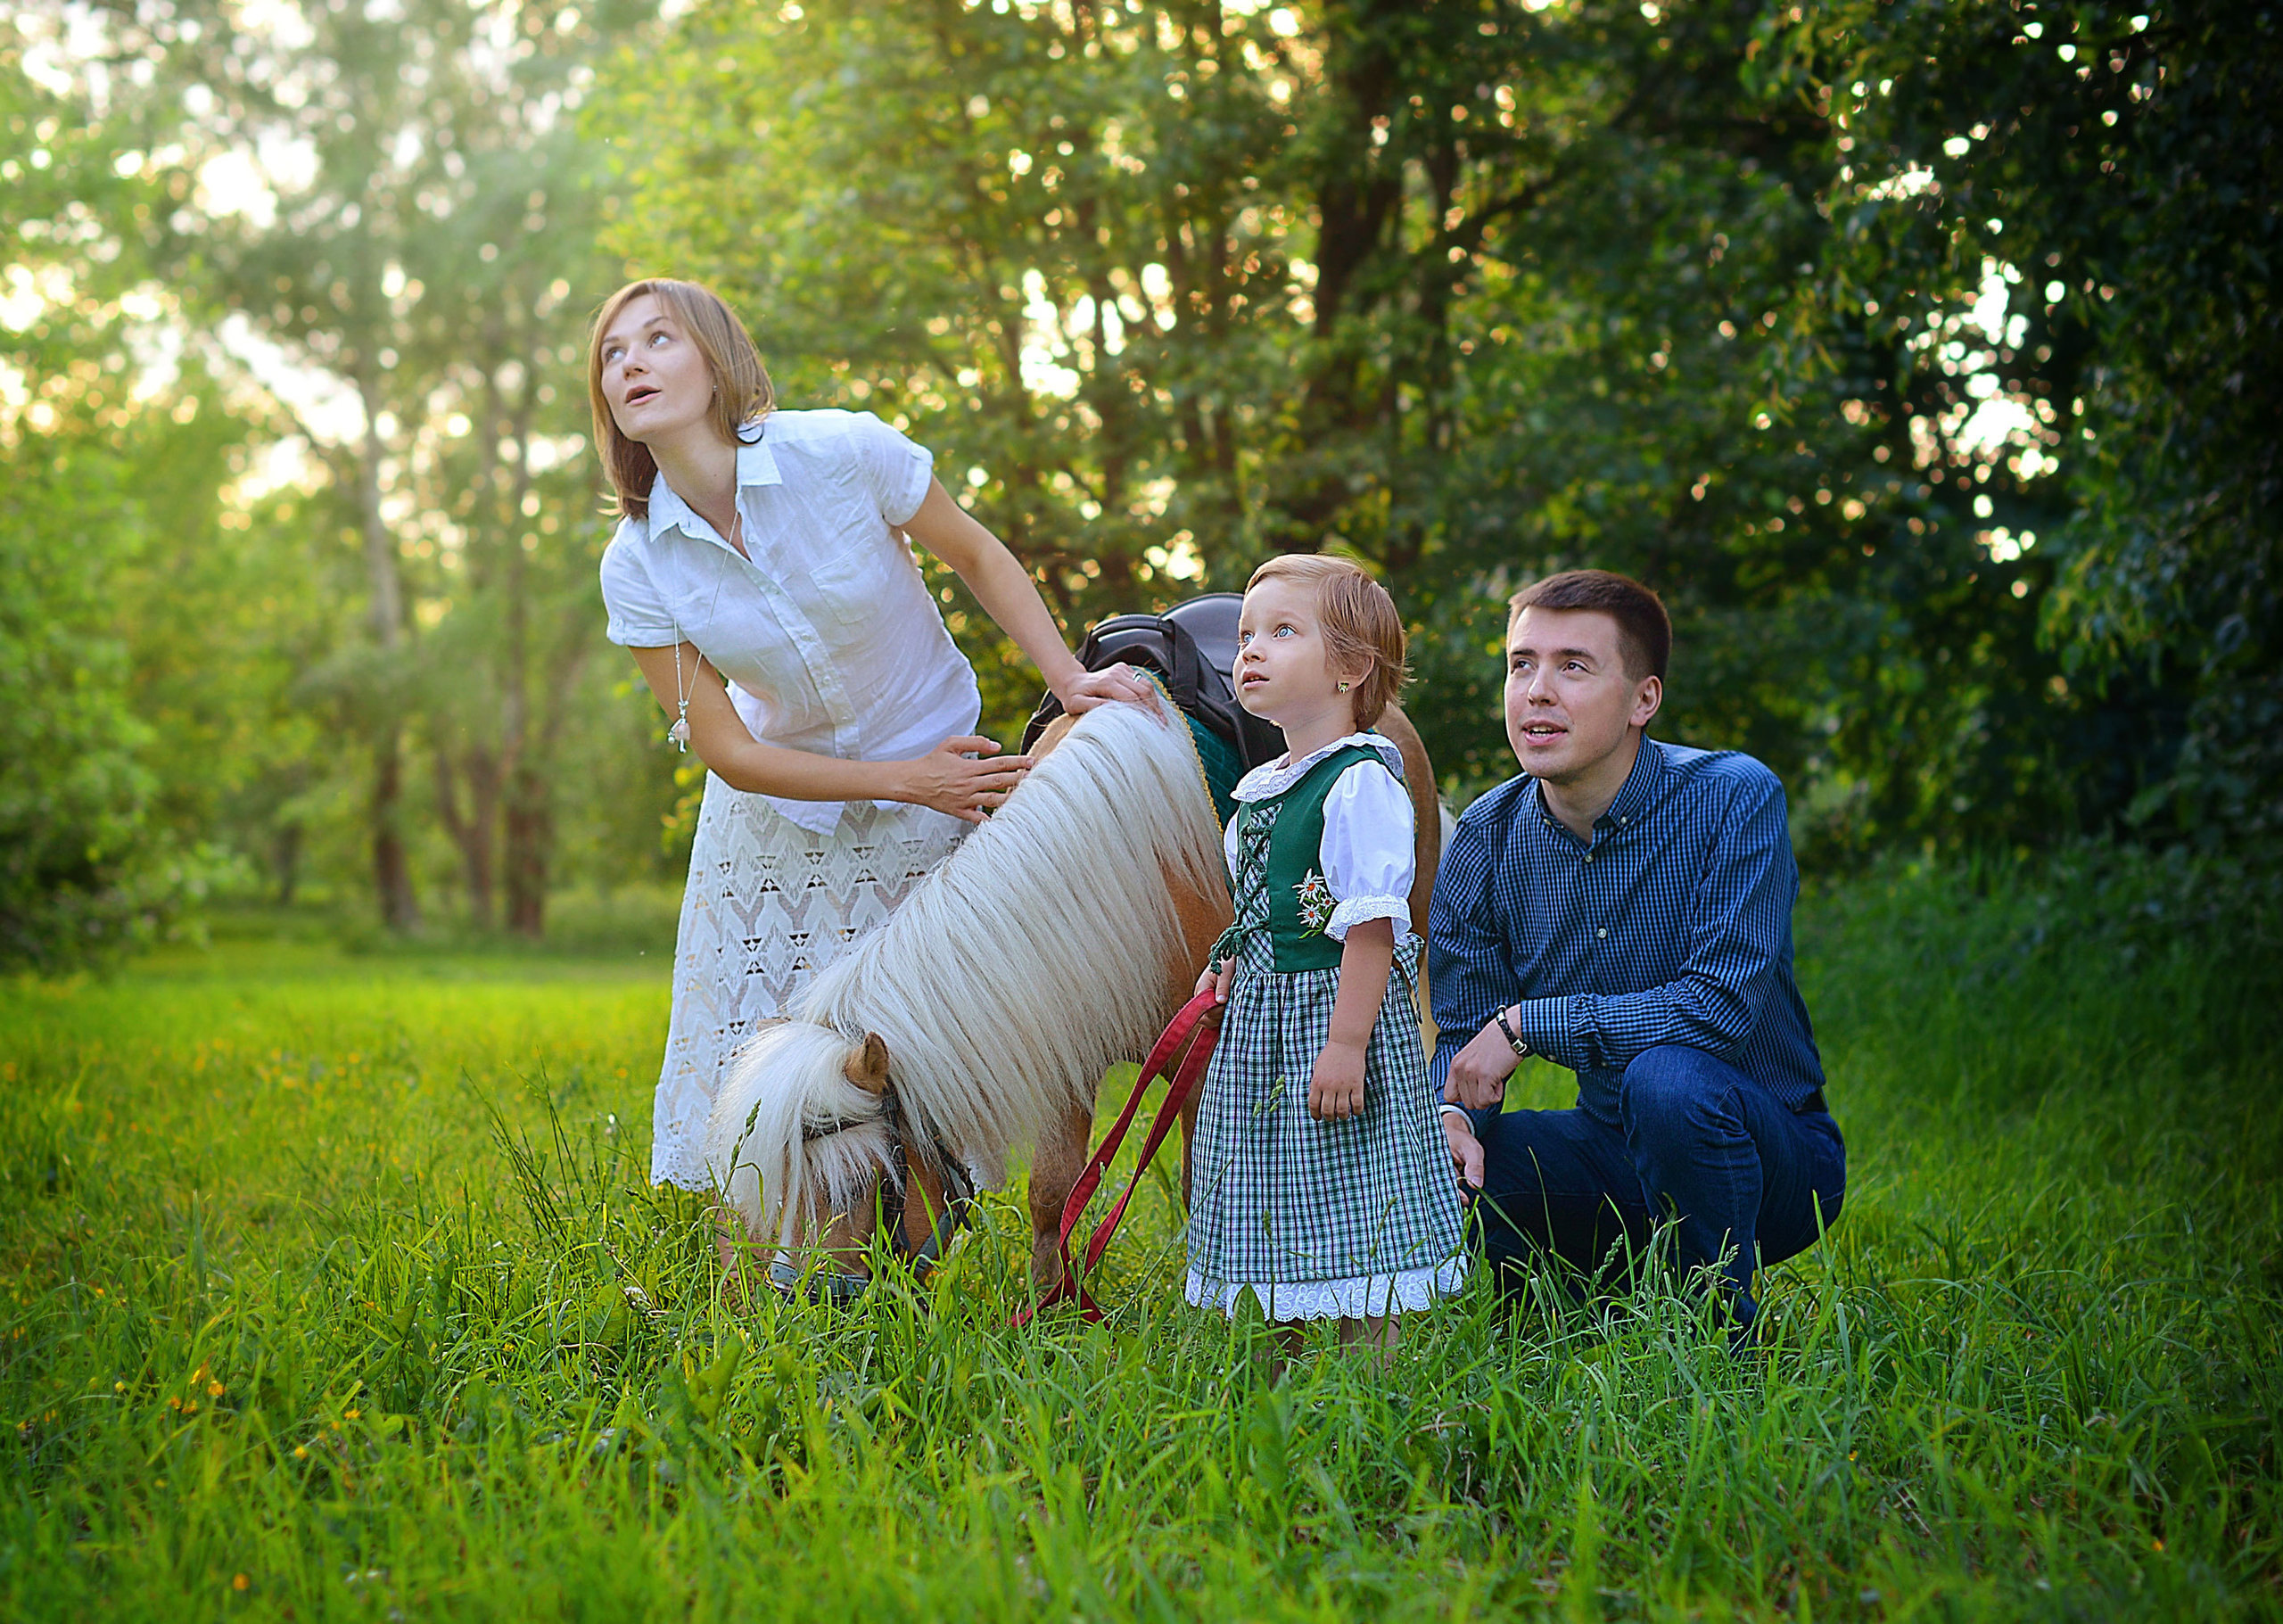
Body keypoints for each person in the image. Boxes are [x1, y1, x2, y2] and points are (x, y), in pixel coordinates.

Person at [585, 278, 1153, 1250]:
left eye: (657, 339)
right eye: (611, 354)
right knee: (756, 1065)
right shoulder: (637, 563)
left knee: (914, 1042)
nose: (630, 362)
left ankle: (914, 1247)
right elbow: (729, 750)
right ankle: (755, 1280)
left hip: (940, 771)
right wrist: (901, 780)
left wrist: (1066, 677)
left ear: (718, 361)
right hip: (775, 824)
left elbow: (974, 554)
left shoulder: (842, 452)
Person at [1431, 569, 1844, 1337]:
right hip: (1611, 1148)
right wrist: (1453, 1115)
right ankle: (1572, 1330)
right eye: (1522, 664)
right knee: (1471, 1155)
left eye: (1574, 666)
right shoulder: (1485, 837)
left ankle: (1720, 1344)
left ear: (1643, 700)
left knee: (1668, 1080)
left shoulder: (1732, 797)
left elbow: (1718, 1010)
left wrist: (1530, 1023)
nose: (1537, 691)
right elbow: (1462, 1036)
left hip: (1768, 1154)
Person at [1185, 555, 1467, 1355]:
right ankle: (1279, 1367)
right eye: (1244, 635)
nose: (1249, 650)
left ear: (1350, 667)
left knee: (1353, 1190)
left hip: (1330, 1023)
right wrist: (1231, 960)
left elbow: (1374, 929)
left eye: (1281, 631)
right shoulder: (1261, 787)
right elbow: (1266, 907)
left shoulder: (1360, 784)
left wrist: (1347, 1044)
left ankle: (1369, 1372)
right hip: (1264, 1033)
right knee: (1274, 1190)